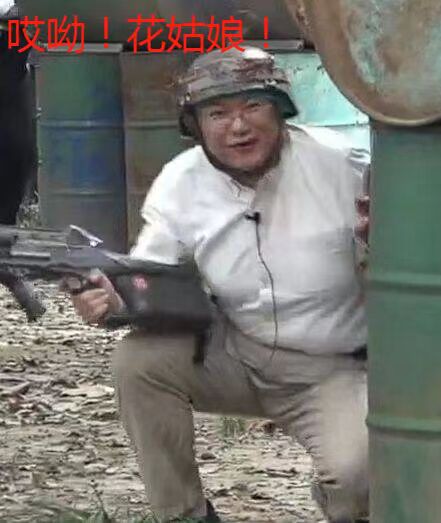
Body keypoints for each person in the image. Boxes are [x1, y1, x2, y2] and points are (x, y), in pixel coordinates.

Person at [71, 47, 370, 523]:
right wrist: (114, 302)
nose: (238, 127)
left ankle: (343, 500)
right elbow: (149, 275)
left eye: (254, 106)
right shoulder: (181, 181)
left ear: (281, 110)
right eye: (218, 113)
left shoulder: (345, 166)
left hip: (332, 368)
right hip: (236, 351)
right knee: (139, 362)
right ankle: (183, 514)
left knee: (358, 474)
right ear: (195, 126)